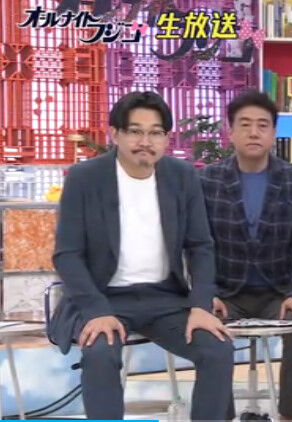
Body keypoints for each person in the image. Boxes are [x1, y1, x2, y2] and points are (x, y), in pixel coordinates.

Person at [50, 91, 234, 420]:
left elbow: (201, 246)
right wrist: (95, 310)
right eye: (135, 131)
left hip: (164, 298)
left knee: (217, 349)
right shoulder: (85, 178)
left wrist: (200, 305)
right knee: (100, 352)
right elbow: (67, 255)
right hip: (103, 297)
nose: (145, 142)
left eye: (155, 132)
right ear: (115, 133)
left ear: (166, 138)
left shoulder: (182, 176)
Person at [200, 90, 292, 421]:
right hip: (225, 293)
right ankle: (223, 416)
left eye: (262, 125)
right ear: (230, 131)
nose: (253, 132)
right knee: (207, 331)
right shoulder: (206, 181)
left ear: (273, 132)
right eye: (245, 124)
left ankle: (289, 415)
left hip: (279, 291)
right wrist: (205, 294)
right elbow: (197, 245)